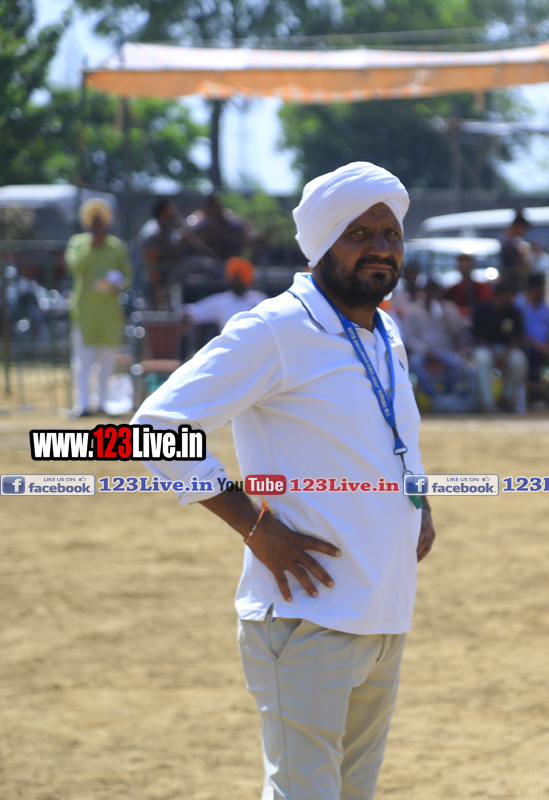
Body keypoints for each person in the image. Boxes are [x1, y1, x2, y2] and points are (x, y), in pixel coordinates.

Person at [129, 161, 436, 799]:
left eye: (391, 234)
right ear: (322, 242)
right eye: (359, 233)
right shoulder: (275, 329)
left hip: (383, 613)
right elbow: (152, 427)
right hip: (305, 620)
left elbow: (390, 432)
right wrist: (254, 526)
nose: (381, 247)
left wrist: (419, 502)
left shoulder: (385, 329)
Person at [66, 198, 131, 418]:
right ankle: (82, 405)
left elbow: (127, 276)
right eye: (94, 221)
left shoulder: (116, 246)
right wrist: (92, 246)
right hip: (85, 312)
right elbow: (74, 266)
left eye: (100, 221)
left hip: (109, 314)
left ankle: (103, 403)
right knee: (83, 361)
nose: (97, 225)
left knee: (107, 361)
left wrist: (116, 284)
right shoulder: (78, 243)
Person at [403, 280, 468, 399]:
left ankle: (447, 395)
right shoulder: (413, 309)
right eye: (429, 291)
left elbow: (457, 331)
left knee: (457, 363)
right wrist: (424, 349)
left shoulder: (448, 307)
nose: (431, 294)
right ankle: (434, 397)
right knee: (414, 363)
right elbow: (408, 337)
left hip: (443, 349)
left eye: (434, 291)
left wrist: (444, 312)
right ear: (424, 292)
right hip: (422, 350)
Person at [472, 276, 528, 412]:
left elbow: (517, 336)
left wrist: (506, 352)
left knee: (519, 361)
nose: (513, 298)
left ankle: (506, 398)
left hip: (507, 349)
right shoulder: (482, 309)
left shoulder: (513, 311)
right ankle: (487, 403)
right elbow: (478, 336)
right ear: (503, 294)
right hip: (485, 348)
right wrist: (494, 351)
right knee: (482, 359)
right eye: (511, 295)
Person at [184, 256, 269, 331]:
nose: (237, 282)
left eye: (240, 279)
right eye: (235, 279)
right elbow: (192, 313)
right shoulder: (221, 302)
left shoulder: (259, 300)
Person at [515, 272, 549, 384]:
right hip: (528, 344)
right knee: (530, 353)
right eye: (543, 287)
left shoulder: (545, 307)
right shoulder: (518, 304)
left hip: (547, 346)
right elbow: (520, 332)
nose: (545, 290)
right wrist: (541, 347)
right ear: (535, 289)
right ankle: (533, 390)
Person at [138, 197, 183, 309]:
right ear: (165, 210)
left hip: (158, 286)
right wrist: (159, 292)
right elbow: (153, 263)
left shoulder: (158, 227)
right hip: (154, 288)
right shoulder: (155, 232)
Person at [188, 194, 254, 260]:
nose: (214, 210)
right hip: (208, 258)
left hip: (231, 257)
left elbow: (247, 234)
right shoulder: (201, 221)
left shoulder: (230, 220)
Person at [499, 211, 531, 279]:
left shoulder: (508, 240)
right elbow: (519, 267)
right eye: (523, 228)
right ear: (518, 226)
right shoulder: (509, 243)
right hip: (510, 280)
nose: (524, 232)